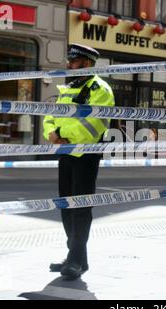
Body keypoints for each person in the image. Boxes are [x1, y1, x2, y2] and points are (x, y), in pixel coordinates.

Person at [43, 43, 115, 280]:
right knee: (65, 206)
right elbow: (51, 117)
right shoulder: (68, 88)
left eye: (73, 61)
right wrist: (52, 134)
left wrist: (65, 136)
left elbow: (94, 125)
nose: (69, 64)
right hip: (65, 152)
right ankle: (76, 258)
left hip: (85, 154)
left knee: (80, 209)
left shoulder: (100, 89)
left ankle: (75, 260)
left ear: (86, 63)